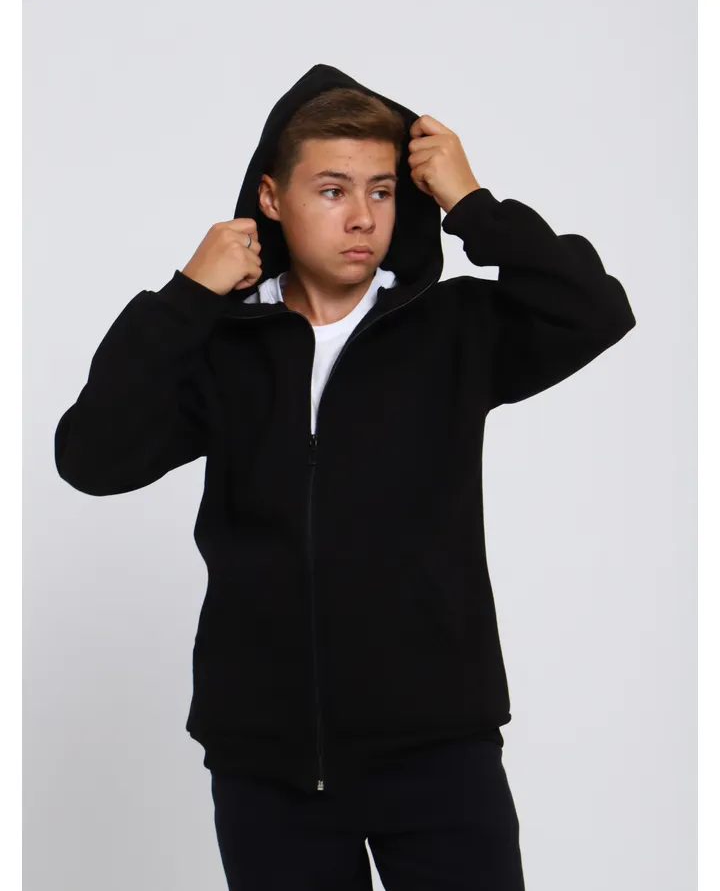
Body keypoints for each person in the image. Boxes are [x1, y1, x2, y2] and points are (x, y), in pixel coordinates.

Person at [54, 63, 637, 890]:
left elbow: (596, 309)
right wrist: (186, 297)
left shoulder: (451, 331)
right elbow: (90, 457)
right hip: (266, 768)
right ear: (271, 199)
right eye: (332, 190)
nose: (363, 216)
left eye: (383, 190)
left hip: (439, 756)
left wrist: (473, 204)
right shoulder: (227, 349)